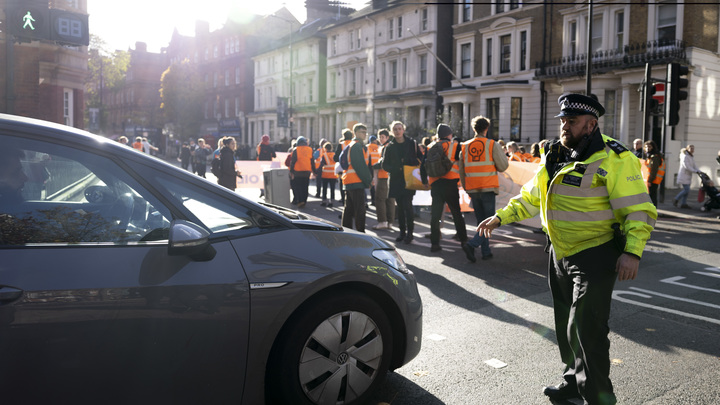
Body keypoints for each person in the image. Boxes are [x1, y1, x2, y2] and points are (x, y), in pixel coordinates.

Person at [477, 93, 657, 405]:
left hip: (596, 253)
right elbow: (532, 196)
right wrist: (502, 216)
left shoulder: (614, 158)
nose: (565, 126)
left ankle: (599, 398)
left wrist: (632, 251)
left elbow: (639, 210)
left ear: (591, 124)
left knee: (586, 328)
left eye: (571, 121)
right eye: (563, 120)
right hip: (558, 253)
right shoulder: (554, 155)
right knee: (565, 326)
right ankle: (573, 382)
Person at [459, 116, 509, 262]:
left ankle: (486, 252)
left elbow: (462, 171)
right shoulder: (491, 144)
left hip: (473, 188)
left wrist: (466, 187)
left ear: (474, 129)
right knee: (489, 223)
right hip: (488, 187)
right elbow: (503, 166)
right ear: (486, 128)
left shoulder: (465, 146)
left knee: (482, 221)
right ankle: (472, 245)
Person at [425, 124, 467, 252]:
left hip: (436, 183)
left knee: (436, 214)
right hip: (450, 183)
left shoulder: (430, 146)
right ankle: (464, 241)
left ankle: (434, 243)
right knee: (456, 213)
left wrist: (424, 181)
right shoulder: (455, 146)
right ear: (449, 135)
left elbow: (424, 165)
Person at [381, 120, 422, 244]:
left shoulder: (412, 143)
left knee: (408, 207)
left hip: (409, 179)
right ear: (392, 132)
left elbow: (420, 158)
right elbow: (384, 165)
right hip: (396, 180)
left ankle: (410, 233)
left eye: (399, 129)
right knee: (400, 207)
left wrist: (409, 163)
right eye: (395, 129)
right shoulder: (389, 146)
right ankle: (402, 232)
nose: (397, 131)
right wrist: (397, 168)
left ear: (403, 130)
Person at [341, 123, 372, 232]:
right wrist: (368, 180)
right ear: (356, 133)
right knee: (359, 209)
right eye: (362, 132)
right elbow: (360, 166)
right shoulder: (357, 146)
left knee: (349, 209)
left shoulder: (351, 145)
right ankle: (360, 232)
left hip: (349, 181)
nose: (365, 134)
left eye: (365, 132)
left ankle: (346, 231)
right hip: (356, 181)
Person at [372, 129, 395, 230]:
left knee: (380, 199)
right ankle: (390, 222)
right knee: (390, 200)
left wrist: (374, 166)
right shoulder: (391, 147)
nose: (381, 139)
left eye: (383, 137)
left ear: (387, 138)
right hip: (391, 177)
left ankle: (382, 221)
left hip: (383, 177)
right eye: (380, 137)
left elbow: (382, 163)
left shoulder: (385, 148)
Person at [289, 136, 315, 208]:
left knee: (299, 187)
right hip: (307, 172)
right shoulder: (310, 149)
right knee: (305, 187)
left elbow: (293, 162)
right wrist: (314, 171)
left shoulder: (296, 150)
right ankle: (304, 200)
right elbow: (312, 161)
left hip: (298, 172)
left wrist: (291, 171)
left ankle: (300, 201)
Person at [673, 144, 700, 209]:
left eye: (693, 148)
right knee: (686, 189)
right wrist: (695, 171)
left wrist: (699, 171)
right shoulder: (685, 156)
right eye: (691, 148)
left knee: (687, 191)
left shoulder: (691, 156)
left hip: (688, 176)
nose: (692, 149)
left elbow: (694, 165)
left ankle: (683, 203)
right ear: (687, 149)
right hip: (684, 175)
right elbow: (687, 166)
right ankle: (676, 199)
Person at [641, 140, 664, 207]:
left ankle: (652, 211)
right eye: (646, 147)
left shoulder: (655, 157)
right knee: (651, 196)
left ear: (653, 147)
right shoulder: (650, 156)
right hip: (651, 180)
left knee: (651, 197)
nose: (648, 148)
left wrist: (650, 181)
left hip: (652, 180)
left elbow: (654, 170)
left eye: (649, 147)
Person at [335, 129, 353, 205]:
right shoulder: (354, 144)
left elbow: (336, 158)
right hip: (353, 170)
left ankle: (344, 204)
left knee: (343, 189)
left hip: (343, 171)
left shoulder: (341, 145)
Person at [319, 142, 337, 207]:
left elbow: (321, 164)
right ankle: (331, 201)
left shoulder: (324, 155)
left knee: (325, 188)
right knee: (332, 188)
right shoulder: (334, 154)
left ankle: (324, 201)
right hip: (333, 174)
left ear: (325, 148)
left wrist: (317, 172)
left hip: (325, 174)